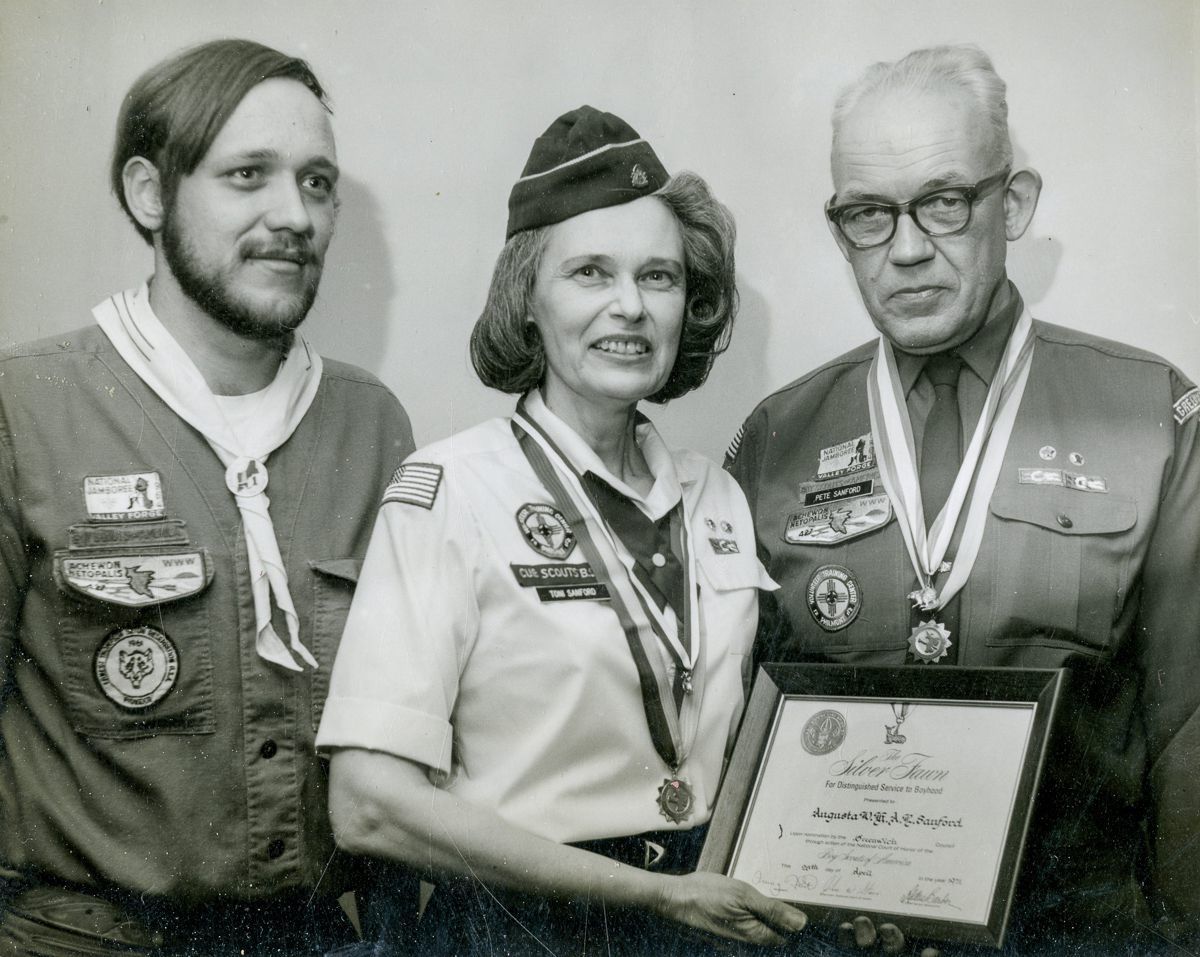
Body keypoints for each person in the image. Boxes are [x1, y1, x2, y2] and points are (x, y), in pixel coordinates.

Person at [726, 44, 1200, 955]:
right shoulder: (778, 437)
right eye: (868, 214)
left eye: (944, 201)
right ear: (839, 228)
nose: (906, 250)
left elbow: (1191, 736)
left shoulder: (1150, 418)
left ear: (1012, 205)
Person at [316, 106, 809, 956]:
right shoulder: (450, 491)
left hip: (703, 916)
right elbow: (367, 803)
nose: (631, 307)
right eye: (590, 273)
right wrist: (655, 896)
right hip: (519, 925)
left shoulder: (718, 498)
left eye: (658, 277)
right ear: (528, 302)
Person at [0, 39, 415, 955]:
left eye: (316, 183)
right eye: (247, 175)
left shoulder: (370, 422)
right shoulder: (25, 408)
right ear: (150, 193)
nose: (294, 215)